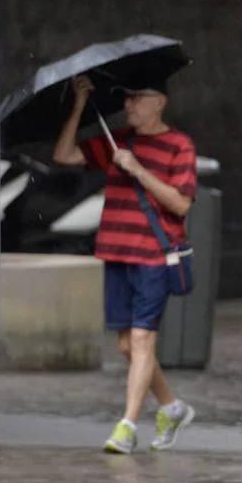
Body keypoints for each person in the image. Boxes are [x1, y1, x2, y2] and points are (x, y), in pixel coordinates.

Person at [54, 74, 198, 454]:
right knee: (126, 345)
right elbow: (64, 155)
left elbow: (181, 204)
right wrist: (80, 107)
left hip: (154, 255)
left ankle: (127, 426)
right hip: (116, 252)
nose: (129, 105)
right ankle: (171, 407)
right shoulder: (118, 143)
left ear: (160, 102)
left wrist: (137, 169)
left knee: (141, 339)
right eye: (127, 98)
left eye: (138, 97)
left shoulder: (179, 146)